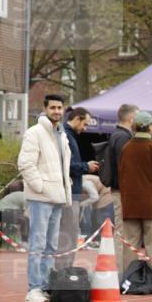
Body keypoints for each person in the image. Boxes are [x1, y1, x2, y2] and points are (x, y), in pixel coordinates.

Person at [17, 93, 72, 302]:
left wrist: (64, 192)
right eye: (53, 108)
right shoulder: (35, 133)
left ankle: (47, 285)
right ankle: (34, 288)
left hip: (58, 196)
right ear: (45, 109)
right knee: (38, 244)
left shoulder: (62, 135)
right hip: (41, 197)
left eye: (60, 107)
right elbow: (25, 164)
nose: (56, 111)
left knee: (51, 246)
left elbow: (63, 168)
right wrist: (40, 187)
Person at [118, 111, 152, 288]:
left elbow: (122, 175)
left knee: (130, 246)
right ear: (148, 126)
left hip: (131, 204)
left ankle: (128, 280)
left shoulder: (126, 148)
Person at [58, 107, 99, 266]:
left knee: (69, 232)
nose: (85, 128)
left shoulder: (67, 135)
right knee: (69, 232)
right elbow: (68, 165)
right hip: (70, 193)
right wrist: (85, 167)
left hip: (71, 191)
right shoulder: (67, 136)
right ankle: (64, 270)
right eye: (85, 124)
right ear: (77, 119)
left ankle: (64, 268)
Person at [100, 103, 138, 274]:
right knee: (122, 233)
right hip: (122, 191)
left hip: (120, 189)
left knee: (123, 232)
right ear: (131, 118)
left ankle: (121, 271)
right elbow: (126, 167)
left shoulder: (118, 135)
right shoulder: (123, 138)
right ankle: (120, 273)